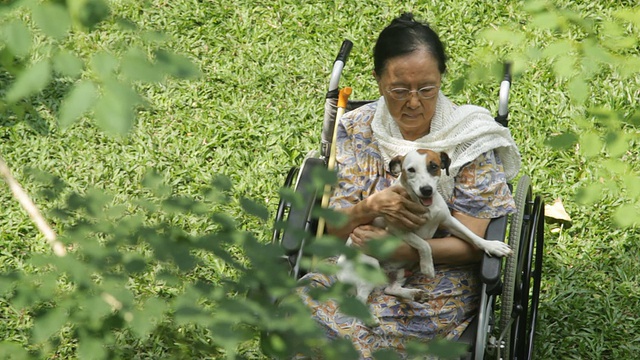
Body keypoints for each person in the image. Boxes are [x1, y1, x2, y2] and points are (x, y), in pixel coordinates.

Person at [296, 12, 521, 359]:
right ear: (378, 80)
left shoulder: (469, 139)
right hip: (356, 265)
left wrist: (405, 251)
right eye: (399, 90)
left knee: (366, 339)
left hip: (437, 281)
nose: (414, 101)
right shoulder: (356, 129)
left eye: (427, 89)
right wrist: (367, 209)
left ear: (441, 78)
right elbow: (332, 234)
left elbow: (476, 243)